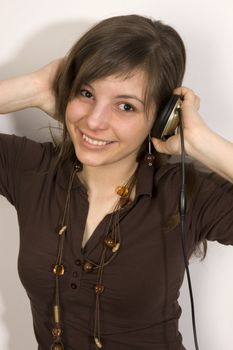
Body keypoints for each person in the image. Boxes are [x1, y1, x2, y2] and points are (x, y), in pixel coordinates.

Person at [0, 14, 233, 350]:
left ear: (161, 117)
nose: (94, 121)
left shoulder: (188, 191)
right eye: (86, 93)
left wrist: (199, 141)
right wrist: (33, 88)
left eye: (125, 106)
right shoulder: (30, 168)